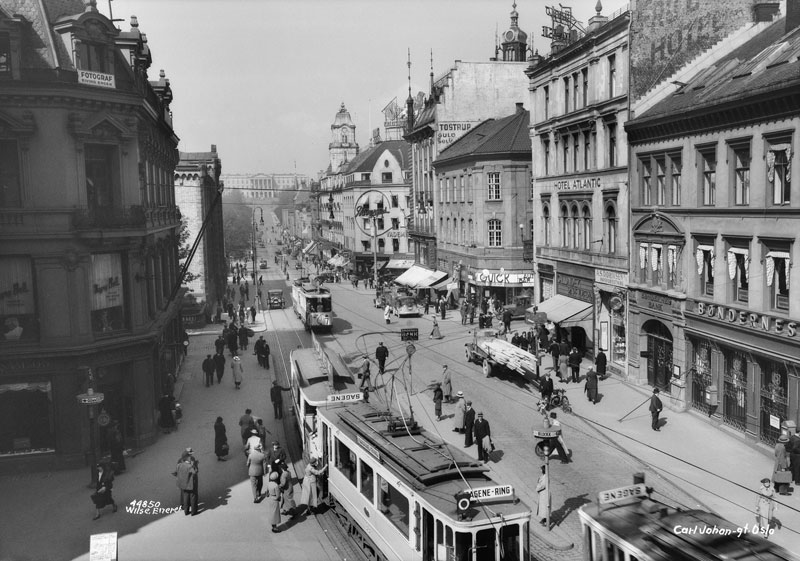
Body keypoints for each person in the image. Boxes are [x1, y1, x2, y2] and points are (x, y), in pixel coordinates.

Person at [175, 448, 199, 516]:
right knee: (192, 495)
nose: (191, 455)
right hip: (190, 481)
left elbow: (177, 470)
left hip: (183, 481)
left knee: (185, 495)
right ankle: (193, 510)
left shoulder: (180, 462)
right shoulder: (190, 463)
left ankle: (186, 509)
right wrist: (195, 466)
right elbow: (195, 471)